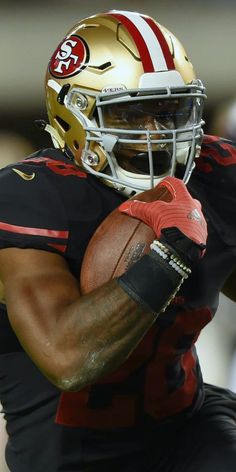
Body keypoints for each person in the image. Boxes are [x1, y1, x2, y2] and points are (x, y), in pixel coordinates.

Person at [0, 9, 235, 472]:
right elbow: (69, 358)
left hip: (188, 431)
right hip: (73, 454)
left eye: (170, 111)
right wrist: (168, 258)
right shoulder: (30, 197)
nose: (157, 134)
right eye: (130, 113)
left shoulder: (214, 172)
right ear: (74, 115)